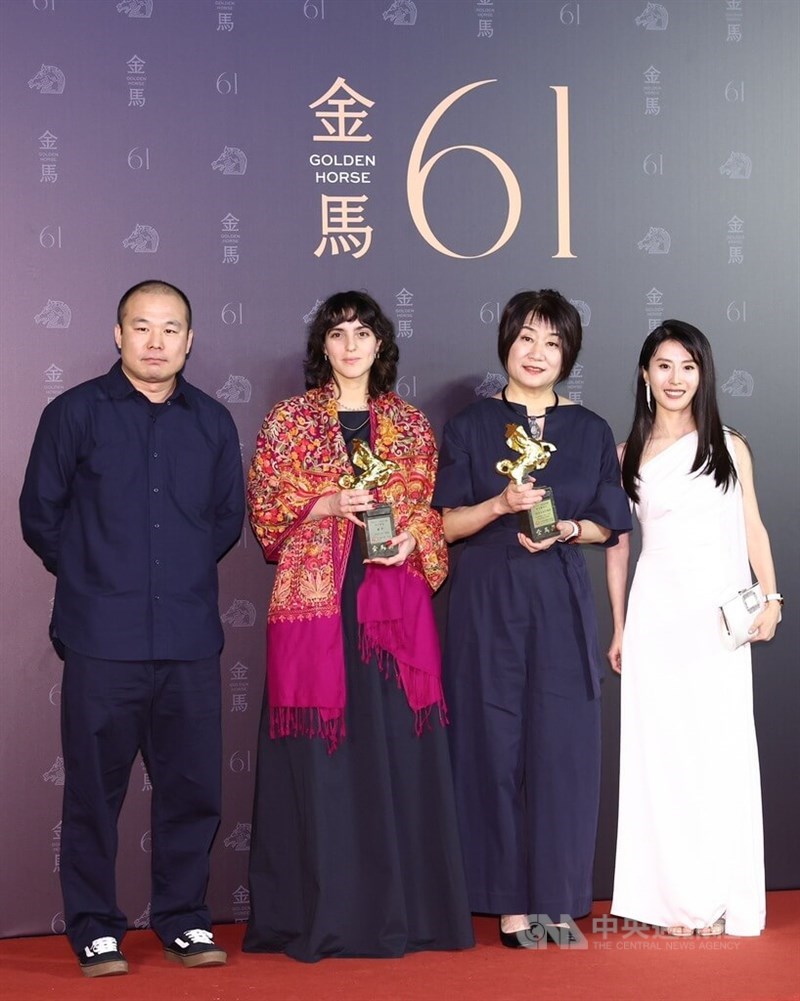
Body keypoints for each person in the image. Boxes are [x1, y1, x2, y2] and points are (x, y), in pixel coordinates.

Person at [20, 280, 244, 977]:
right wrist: (94, 577)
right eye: (141, 327)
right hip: (100, 638)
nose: (155, 341)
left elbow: (225, 521)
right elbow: (40, 514)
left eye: (170, 328)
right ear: (118, 334)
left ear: (189, 339)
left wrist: (168, 576)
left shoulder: (211, 422)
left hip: (186, 639)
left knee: (192, 789)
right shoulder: (73, 413)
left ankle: (183, 918)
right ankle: (94, 926)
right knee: (93, 792)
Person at [243, 290, 473, 963]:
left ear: (381, 345)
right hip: (317, 608)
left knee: (391, 756)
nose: (350, 344)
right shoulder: (287, 422)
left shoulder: (409, 425)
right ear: (323, 345)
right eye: (338, 332)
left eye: (363, 332)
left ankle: (403, 912)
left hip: (389, 614)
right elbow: (267, 514)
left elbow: (429, 512)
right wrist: (326, 500)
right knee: (323, 764)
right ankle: (319, 913)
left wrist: (411, 543)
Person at [433, 289, 631, 947]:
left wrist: (567, 526)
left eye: (551, 341)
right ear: (506, 345)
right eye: (526, 338)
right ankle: (507, 901)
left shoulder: (591, 429)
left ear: (568, 352)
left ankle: (556, 895)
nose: (537, 352)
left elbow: (609, 522)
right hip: (486, 600)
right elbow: (445, 525)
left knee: (562, 746)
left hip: (560, 599)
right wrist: (498, 503)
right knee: (489, 746)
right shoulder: (468, 425)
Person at [607, 321, 781, 938]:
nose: (675, 378)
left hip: (716, 623)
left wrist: (774, 596)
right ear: (644, 374)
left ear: (703, 375)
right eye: (663, 365)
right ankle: (671, 901)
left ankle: (715, 897)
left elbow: (754, 526)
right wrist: (621, 628)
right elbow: (619, 548)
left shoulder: (729, 446)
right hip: (656, 617)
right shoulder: (627, 456)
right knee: (661, 757)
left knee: (716, 750)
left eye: (688, 366)